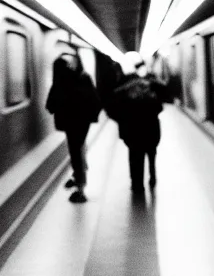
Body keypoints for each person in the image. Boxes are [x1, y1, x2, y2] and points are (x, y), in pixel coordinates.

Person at [109, 51, 169, 193]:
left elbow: (112, 108)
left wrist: (122, 120)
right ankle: (152, 176)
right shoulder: (151, 84)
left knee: (135, 156)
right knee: (151, 152)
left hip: (131, 130)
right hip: (151, 128)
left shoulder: (121, 88)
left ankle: (137, 184)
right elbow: (161, 103)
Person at [46, 53, 102, 203]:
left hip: (71, 123)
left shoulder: (60, 81)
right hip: (84, 122)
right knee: (79, 148)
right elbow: (95, 100)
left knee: (75, 151)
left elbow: (50, 105)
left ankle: (80, 189)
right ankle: (78, 176)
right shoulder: (83, 77)